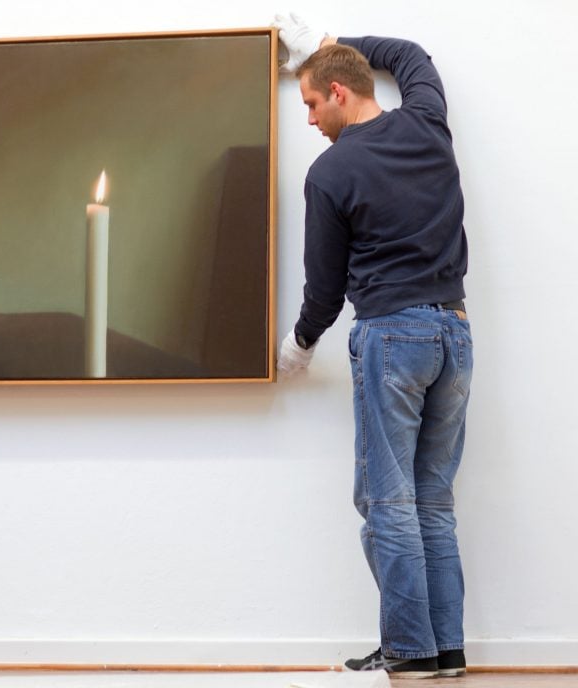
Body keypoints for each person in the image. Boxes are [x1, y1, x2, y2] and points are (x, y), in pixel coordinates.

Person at [272, 14, 473, 680]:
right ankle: (445, 653)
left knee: (388, 502)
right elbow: (412, 53)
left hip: (393, 336)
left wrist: (298, 345)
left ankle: (410, 653)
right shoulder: (426, 124)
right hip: (454, 331)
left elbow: (325, 290)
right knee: (433, 502)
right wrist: (334, 42)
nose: (307, 120)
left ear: (337, 91)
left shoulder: (332, 173)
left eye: (308, 103)